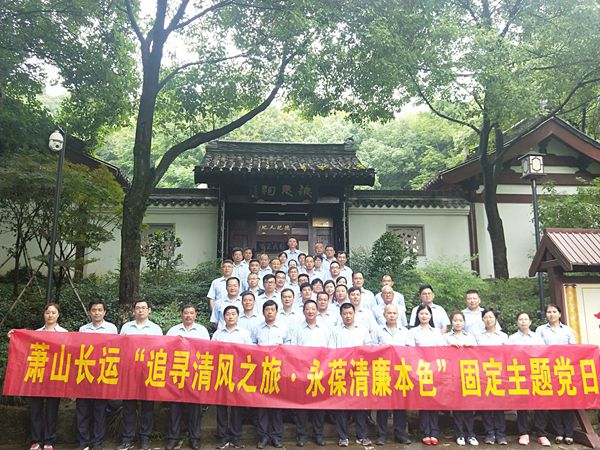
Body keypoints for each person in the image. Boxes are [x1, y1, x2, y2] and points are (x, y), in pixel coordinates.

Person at [8, 303, 67, 450]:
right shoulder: (36, 333)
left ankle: (49, 441)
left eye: (53, 313)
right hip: (37, 375)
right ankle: (36, 440)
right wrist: (14, 336)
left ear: (58, 315)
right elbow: (25, 349)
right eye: (48, 312)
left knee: (52, 409)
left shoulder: (64, 333)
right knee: (35, 409)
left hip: (54, 376)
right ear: (44, 314)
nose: (50, 315)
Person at [118, 299, 163, 450]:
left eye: (144, 308)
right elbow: (120, 348)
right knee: (128, 406)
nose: (141, 310)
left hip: (148, 373)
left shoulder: (155, 329)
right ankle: (127, 438)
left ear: (149, 310)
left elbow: (160, 351)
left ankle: (145, 438)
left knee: (147, 407)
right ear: (134, 310)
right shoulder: (126, 327)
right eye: (138, 308)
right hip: (129, 373)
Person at [165, 305, 210, 450]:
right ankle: (173, 438)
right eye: (186, 313)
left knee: (194, 408)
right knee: (174, 408)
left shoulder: (202, 331)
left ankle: (194, 438)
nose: (188, 315)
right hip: (176, 374)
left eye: (191, 313)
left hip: (195, 375)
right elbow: (166, 350)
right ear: (181, 315)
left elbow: (207, 351)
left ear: (196, 315)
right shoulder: (173, 331)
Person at [76, 299, 118, 450]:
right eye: (94, 310)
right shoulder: (83, 329)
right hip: (85, 374)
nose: (97, 313)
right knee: (83, 410)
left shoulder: (111, 328)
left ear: (104, 312)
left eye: (100, 310)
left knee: (100, 411)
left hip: (102, 376)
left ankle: (97, 443)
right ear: (89, 312)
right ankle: (83, 442)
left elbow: (116, 350)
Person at [331, 303, 372, 447]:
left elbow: (368, 349)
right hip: (341, 373)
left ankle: (362, 436)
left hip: (359, 372)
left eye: (350, 313)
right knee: (341, 406)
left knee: (360, 406)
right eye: (345, 313)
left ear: (354, 314)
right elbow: (332, 351)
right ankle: (343, 436)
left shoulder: (362, 329)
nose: (348, 316)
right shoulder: (335, 330)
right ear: (341, 315)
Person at [291, 300, 331, 446]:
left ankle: (318, 434)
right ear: (303, 311)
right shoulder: (297, 329)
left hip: (320, 372)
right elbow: (293, 349)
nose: (310, 311)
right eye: (307, 309)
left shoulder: (325, 328)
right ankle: (302, 435)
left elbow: (330, 349)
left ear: (317, 311)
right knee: (301, 405)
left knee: (319, 405)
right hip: (302, 372)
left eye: (313, 309)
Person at [372, 304, 413, 446]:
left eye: (394, 313)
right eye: (389, 313)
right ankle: (381, 435)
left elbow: (411, 349)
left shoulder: (405, 332)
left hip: (400, 371)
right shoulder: (378, 330)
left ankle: (400, 434)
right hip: (382, 370)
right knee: (383, 404)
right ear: (384, 314)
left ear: (398, 315)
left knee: (400, 404)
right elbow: (371, 347)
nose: (391, 315)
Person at [212, 305, 252, 449]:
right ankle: (222, 437)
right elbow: (211, 352)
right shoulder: (218, 334)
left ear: (238, 316)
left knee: (236, 407)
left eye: (233, 314)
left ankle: (236, 437)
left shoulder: (244, 334)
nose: (230, 316)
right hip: (221, 373)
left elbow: (250, 353)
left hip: (238, 374)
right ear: (224, 317)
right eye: (228, 314)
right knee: (221, 406)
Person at [536, 304, 577, 445]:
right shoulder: (540, 330)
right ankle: (559, 432)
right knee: (553, 401)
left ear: (559, 314)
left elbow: (573, 349)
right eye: (549, 312)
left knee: (568, 400)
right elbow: (538, 349)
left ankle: (569, 432)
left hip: (565, 369)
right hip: (548, 370)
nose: (551, 314)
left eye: (554, 311)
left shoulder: (567, 330)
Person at [253, 300, 290, 449]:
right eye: (267, 310)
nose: (269, 312)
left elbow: (289, 346)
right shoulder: (257, 328)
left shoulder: (283, 327)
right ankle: (263, 436)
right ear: (263, 312)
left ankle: (276, 437)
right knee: (261, 405)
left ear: (276, 311)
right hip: (261, 371)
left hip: (278, 372)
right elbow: (251, 347)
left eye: (272, 309)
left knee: (277, 405)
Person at [508, 312, 549, 447]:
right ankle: (523, 433)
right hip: (520, 373)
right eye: (520, 319)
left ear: (530, 322)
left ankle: (541, 433)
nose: (523, 321)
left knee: (540, 403)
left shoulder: (537, 337)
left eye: (526, 319)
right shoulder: (512, 338)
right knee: (522, 404)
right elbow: (508, 355)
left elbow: (544, 353)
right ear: (517, 322)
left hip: (536, 373)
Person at [409, 304, 446, 445]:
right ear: (417, 315)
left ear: (431, 316)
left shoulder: (436, 332)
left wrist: (435, 367)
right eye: (421, 313)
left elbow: (442, 350)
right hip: (419, 370)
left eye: (426, 314)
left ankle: (434, 432)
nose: (424, 316)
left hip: (435, 370)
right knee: (423, 402)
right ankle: (425, 432)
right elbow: (410, 351)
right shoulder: (412, 332)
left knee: (434, 401)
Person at [444, 311, 478, 447]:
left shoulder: (470, 337)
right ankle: (459, 434)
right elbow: (440, 354)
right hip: (453, 375)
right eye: (455, 320)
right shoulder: (446, 337)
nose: (458, 323)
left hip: (468, 374)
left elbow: (478, 354)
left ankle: (471, 434)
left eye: (460, 320)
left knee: (469, 406)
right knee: (457, 406)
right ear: (451, 322)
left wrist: (470, 349)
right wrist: (450, 348)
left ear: (464, 322)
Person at [475, 308, 508, 445]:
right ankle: (489, 433)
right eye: (486, 317)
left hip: (499, 374)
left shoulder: (503, 336)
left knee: (499, 405)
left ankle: (501, 434)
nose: (488, 320)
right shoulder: (478, 336)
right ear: (482, 320)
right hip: (484, 373)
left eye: (491, 317)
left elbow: (508, 355)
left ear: (495, 319)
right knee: (486, 405)